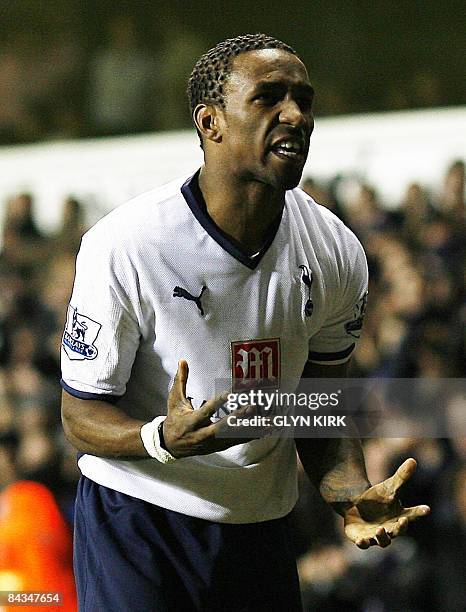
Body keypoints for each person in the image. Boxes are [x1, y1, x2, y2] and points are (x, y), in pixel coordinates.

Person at [61, 34, 430, 611]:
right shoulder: (125, 244)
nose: (296, 115)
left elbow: (317, 407)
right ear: (211, 123)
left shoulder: (336, 251)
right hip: (139, 518)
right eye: (269, 98)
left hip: (259, 523)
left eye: (304, 99)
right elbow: (80, 415)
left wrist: (352, 497)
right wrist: (159, 437)